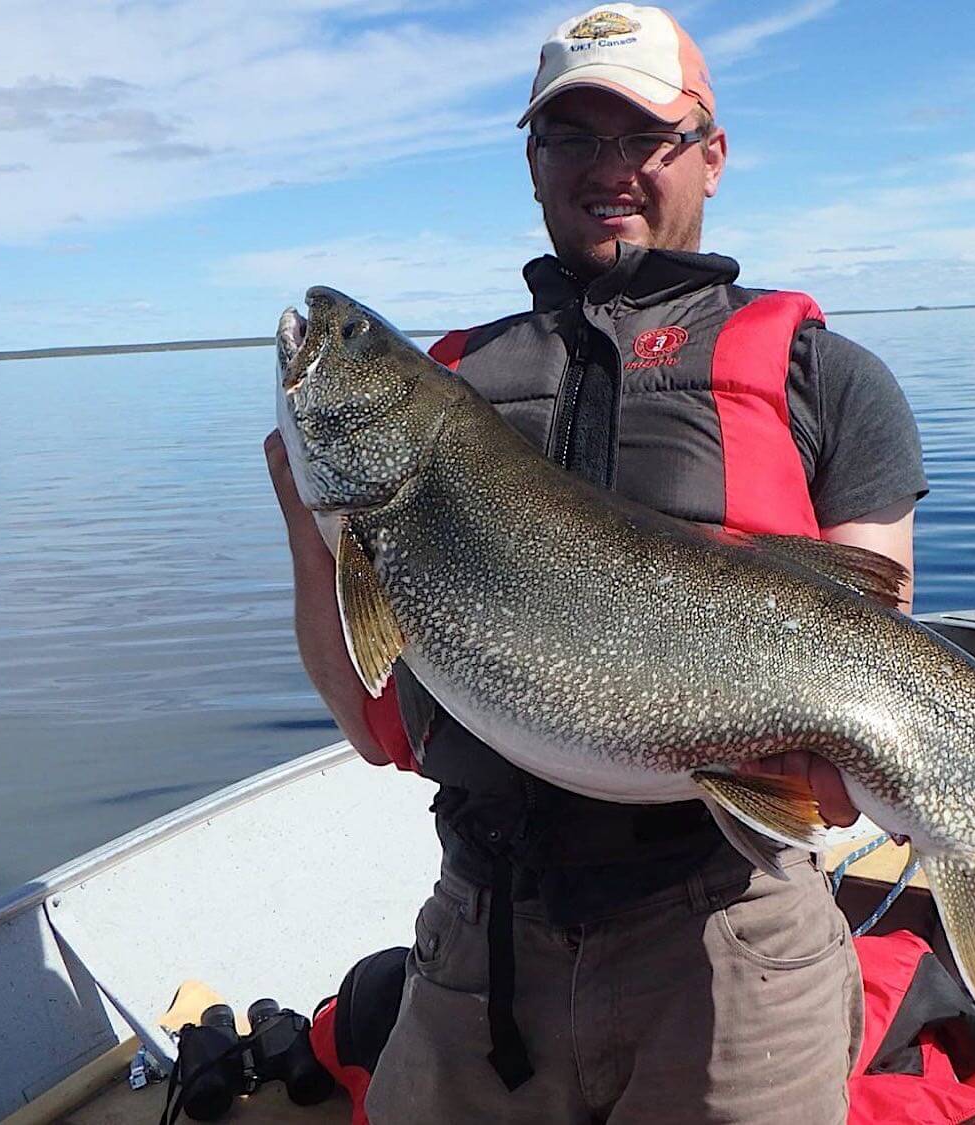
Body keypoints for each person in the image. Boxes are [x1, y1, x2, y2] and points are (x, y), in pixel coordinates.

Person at [263, 5, 928, 1120]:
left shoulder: (830, 380)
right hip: (480, 938)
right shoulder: (451, 383)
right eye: (571, 137)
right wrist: (311, 515)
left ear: (711, 153)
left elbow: (876, 647)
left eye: (642, 137)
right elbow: (367, 718)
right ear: (531, 164)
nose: (607, 167)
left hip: (735, 933)